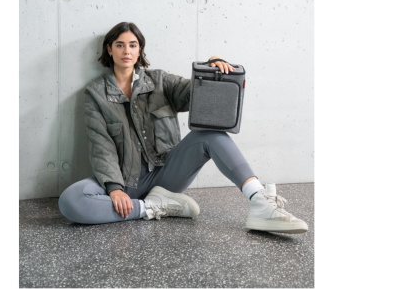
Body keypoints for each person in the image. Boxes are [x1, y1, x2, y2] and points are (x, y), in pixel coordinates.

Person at [58, 22, 308, 234]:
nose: (127, 51)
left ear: (140, 49)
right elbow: (101, 146)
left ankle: (260, 201)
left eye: (133, 45)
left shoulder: (159, 81)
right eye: (120, 45)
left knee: (210, 133)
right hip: (124, 180)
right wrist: (114, 189)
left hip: (167, 175)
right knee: (71, 200)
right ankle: (152, 208)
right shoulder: (95, 94)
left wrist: (212, 65)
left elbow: (196, 92)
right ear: (109, 49)